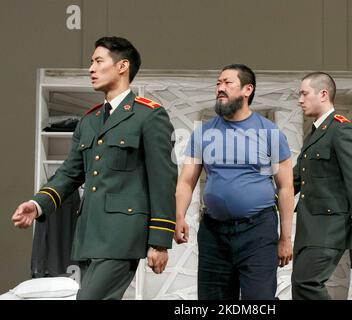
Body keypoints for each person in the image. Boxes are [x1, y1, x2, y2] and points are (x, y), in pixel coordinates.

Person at [11, 36, 177, 300]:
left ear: (122, 66)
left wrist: (159, 241)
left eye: (99, 61)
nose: (91, 68)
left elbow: (163, 180)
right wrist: (38, 203)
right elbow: (69, 173)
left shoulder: (149, 115)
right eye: (91, 62)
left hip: (122, 235)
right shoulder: (89, 121)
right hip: (88, 234)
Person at [174, 64, 294, 300]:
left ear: (247, 90)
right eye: (218, 83)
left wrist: (285, 239)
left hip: (258, 232)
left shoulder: (269, 132)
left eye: (227, 83)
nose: (220, 88)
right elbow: (186, 181)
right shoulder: (203, 133)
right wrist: (179, 216)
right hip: (213, 233)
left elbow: (286, 186)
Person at [291, 71, 352, 300]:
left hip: (329, 228)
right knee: (300, 286)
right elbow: (296, 178)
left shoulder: (341, 129)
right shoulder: (316, 133)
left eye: (304, 93)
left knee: (307, 283)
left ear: (323, 94)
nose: (300, 100)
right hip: (311, 227)